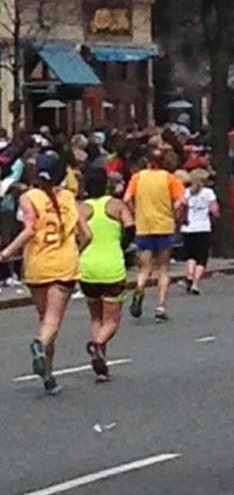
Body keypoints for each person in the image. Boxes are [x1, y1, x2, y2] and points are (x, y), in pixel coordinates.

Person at [0, 153, 92, 395]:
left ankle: (48, 376)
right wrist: (75, 250)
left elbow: (30, 229)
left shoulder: (28, 197)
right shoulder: (69, 198)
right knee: (52, 322)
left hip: (37, 264)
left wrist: (7, 252)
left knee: (44, 319)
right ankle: (40, 347)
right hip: (64, 264)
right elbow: (87, 235)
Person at [78, 168, 134, 383]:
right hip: (112, 266)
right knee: (111, 320)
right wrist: (120, 246)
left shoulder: (81, 208)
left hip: (88, 266)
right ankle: (98, 345)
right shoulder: (116, 205)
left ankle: (101, 364)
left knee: (96, 316)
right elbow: (130, 229)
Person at [124, 147, 185, 322]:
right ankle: (160, 305)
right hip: (164, 226)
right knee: (164, 268)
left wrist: (135, 212)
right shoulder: (170, 178)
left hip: (144, 226)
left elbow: (127, 198)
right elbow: (181, 201)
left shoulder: (137, 177)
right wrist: (175, 215)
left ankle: (139, 288)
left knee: (144, 267)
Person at [180, 169, 218, 295]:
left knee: (191, 255)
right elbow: (214, 210)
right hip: (203, 228)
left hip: (188, 228)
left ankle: (189, 275)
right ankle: (195, 284)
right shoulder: (208, 193)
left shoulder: (186, 192)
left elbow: (180, 207)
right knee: (202, 258)